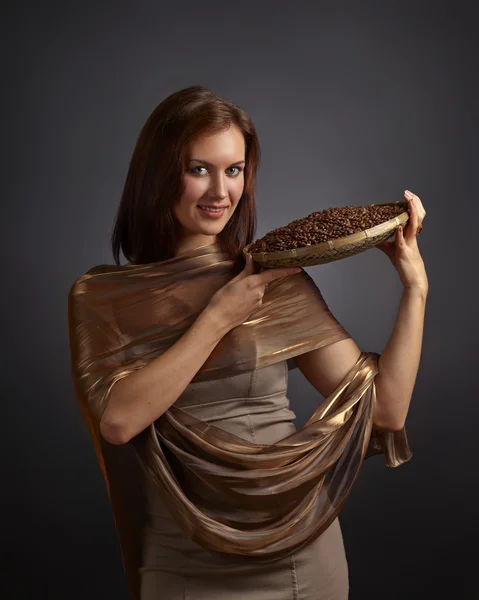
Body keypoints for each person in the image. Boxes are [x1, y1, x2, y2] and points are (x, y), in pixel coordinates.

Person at [68, 86, 428, 600]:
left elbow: (387, 413)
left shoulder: (273, 279)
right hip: (182, 562)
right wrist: (217, 318)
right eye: (199, 169)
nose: (220, 191)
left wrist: (415, 290)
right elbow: (120, 421)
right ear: (157, 174)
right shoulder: (101, 296)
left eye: (233, 170)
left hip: (300, 559)